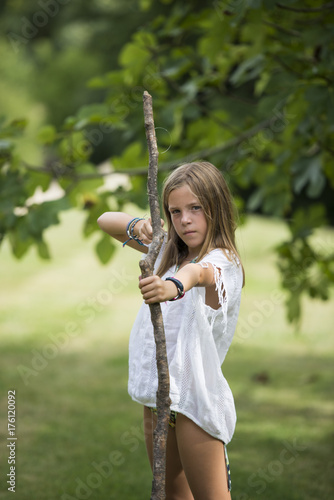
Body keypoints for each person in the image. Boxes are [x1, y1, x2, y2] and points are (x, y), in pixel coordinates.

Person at [97, 161, 244, 500]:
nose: (185, 219)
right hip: (159, 397)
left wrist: (172, 286)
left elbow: (201, 275)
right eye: (175, 211)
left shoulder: (225, 262)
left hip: (194, 401)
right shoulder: (166, 251)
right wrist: (143, 226)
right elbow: (106, 221)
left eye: (196, 208)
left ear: (216, 208)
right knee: (173, 496)